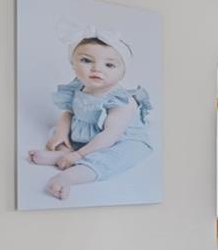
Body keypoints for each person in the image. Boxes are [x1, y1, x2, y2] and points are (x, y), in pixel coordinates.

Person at [27, 25, 152, 200]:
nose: (96, 69)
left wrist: (79, 155)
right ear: (73, 64)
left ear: (122, 72)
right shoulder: (78, 87)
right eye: (87, 60)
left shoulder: (122, 101)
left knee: (115, 158)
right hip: (88, 135)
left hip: (119, 139)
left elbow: (110, 135)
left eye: (109, 65)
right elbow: (68, 113)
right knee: (56, 130)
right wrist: (62, 134)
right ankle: (63, 151)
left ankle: (67, 177)